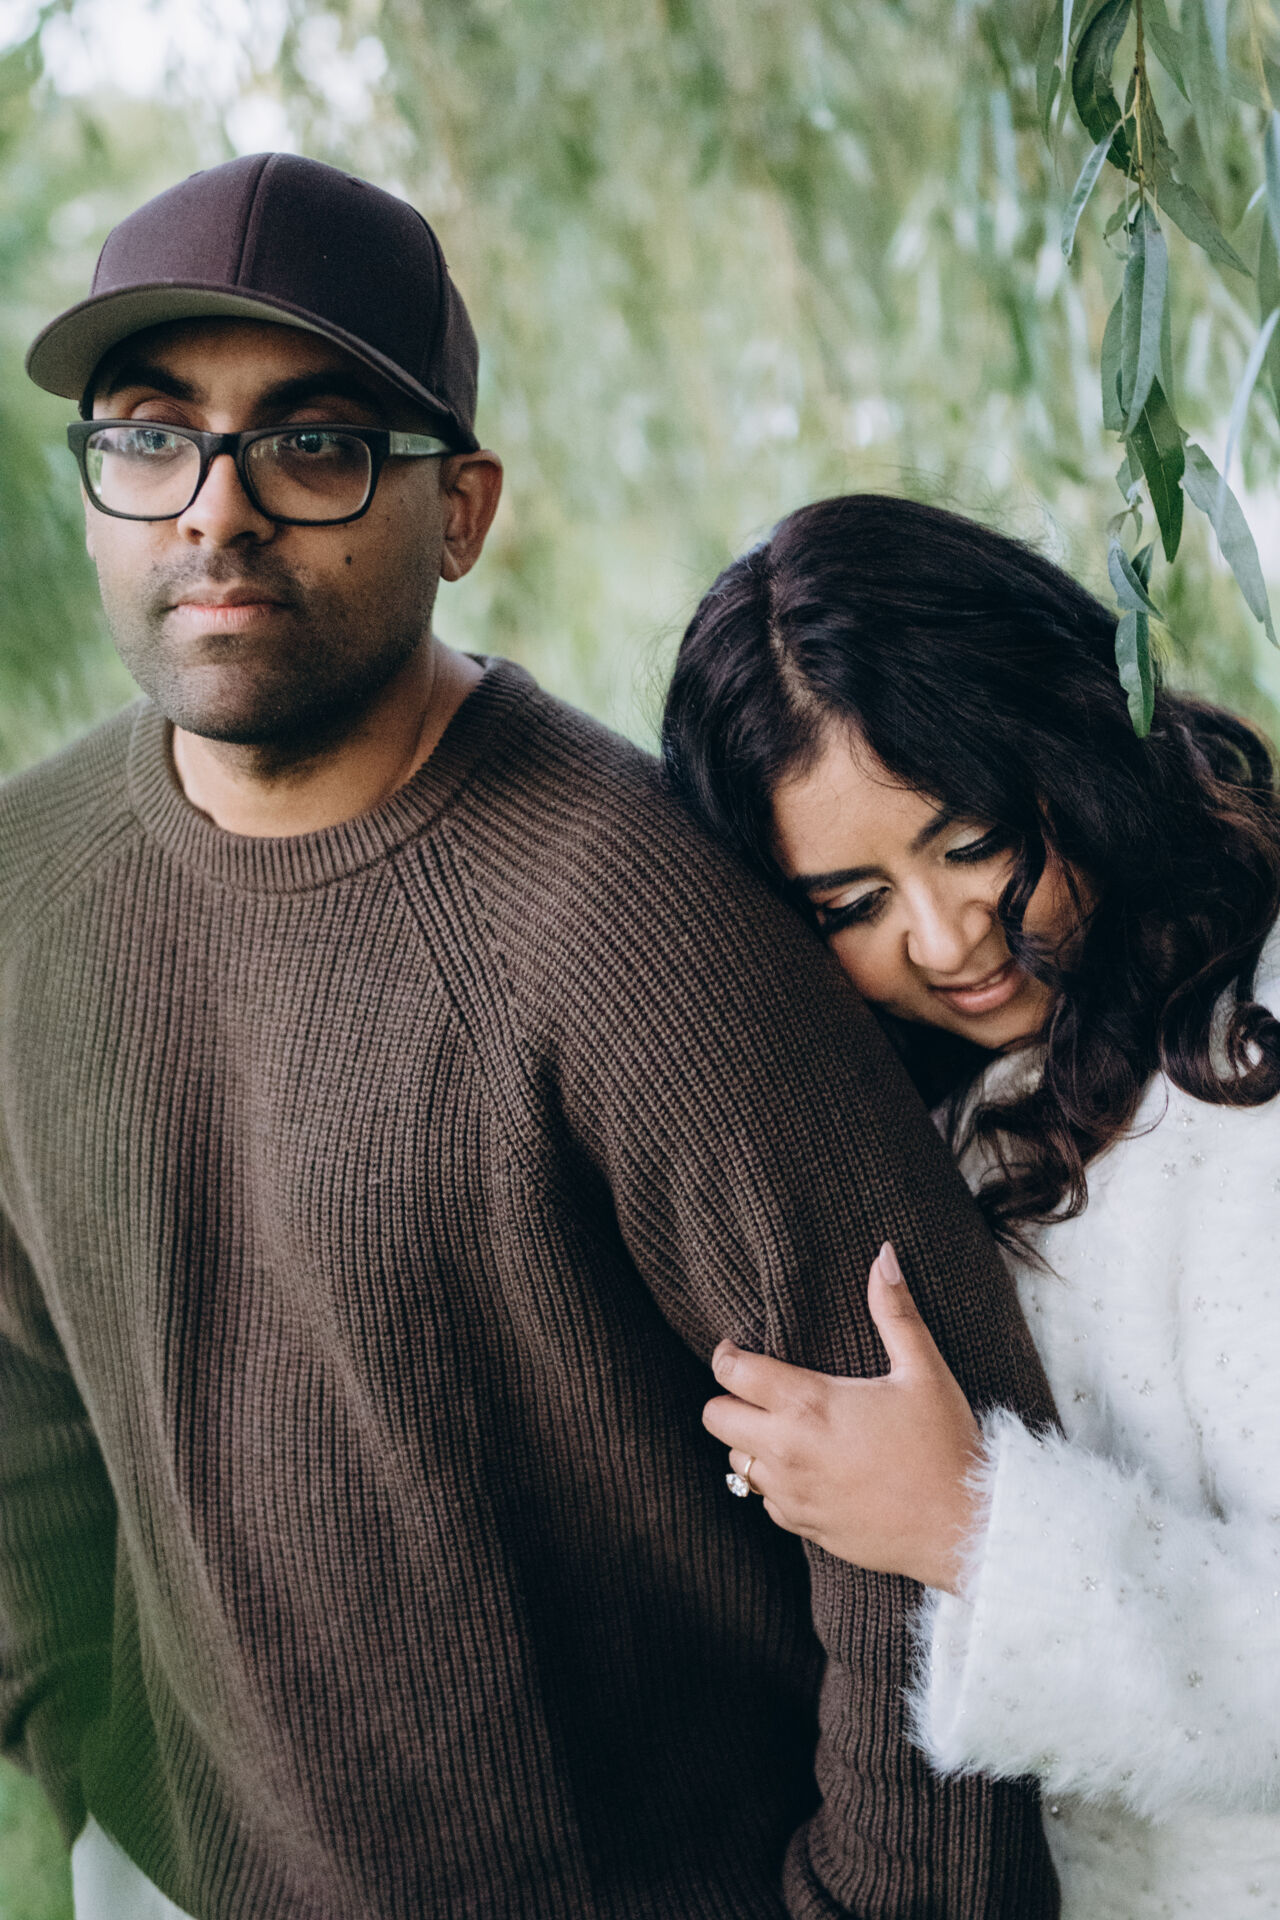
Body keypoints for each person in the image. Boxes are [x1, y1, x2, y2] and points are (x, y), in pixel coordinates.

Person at [0, 157, 1060, 1919]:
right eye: (153, 436)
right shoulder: (22, 883)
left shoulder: (636, 920)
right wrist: (78, 1760)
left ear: (462, 510)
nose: (216, 512)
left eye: (314, 445)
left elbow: (941, 1504)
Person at [662, 490, 1280, 1919]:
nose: (943, 941)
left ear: (1070, 749)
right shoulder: (930, 1114)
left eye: (972, 841)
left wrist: (969, 1523)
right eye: (849, 905)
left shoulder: (1249, 1076)